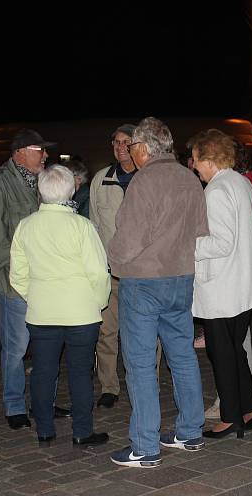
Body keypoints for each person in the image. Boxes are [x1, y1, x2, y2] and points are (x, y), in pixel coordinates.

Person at [108, 117, 209, 468]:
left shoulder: (144, 181)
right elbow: (200, 230)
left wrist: (113, 262)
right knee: (181, 355)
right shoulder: (189, 178)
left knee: (139, 364)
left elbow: (129, 238)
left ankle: (145, 445)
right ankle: (190, 430)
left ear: (145, 148)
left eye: (132, 147)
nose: (131, 154)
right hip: (180, 278)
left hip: (145, 282)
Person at [10, 165, 111, 447]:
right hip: (81, 312)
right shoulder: (82, 226)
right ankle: (82, 430)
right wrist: (98, 302)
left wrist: (36, 295)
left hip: (42, 312)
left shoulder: (26, 226)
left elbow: (17, 273)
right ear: (72, 189)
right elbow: (98, 272)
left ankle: (44, 429)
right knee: (80, 372)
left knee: (43, 371)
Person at [0, 129, 71, 430]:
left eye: (45, 150)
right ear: (18, 152)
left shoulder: (43, 184)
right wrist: (25, 262)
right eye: (38, 149)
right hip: (16, 284)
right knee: (16, 349)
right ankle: (14, 404)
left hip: (48, 282)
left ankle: (44, 401)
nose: (45, 155)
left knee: (48, 347)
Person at [190, 129, 252, 440]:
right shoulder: (242, 183)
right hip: (241, 284)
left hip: (221, 288)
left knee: (221, 352)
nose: (194, 165)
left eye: (197, 160)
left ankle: (230, 418)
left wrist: (189, 244)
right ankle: (251, 411)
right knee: (234, 349)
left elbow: (221, 243)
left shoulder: (216, 189)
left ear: (209, 160)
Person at [90, 124, 164, 409]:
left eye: (126, 142)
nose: (121, 147)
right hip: (111, 273)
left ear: (138, 145)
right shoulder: (101, 179)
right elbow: (95, 226)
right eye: (116, 142)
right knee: (106, 332)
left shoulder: (150, 178)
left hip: (144, 273)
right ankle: (109, 386)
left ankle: (149, 384)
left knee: (147, 334)